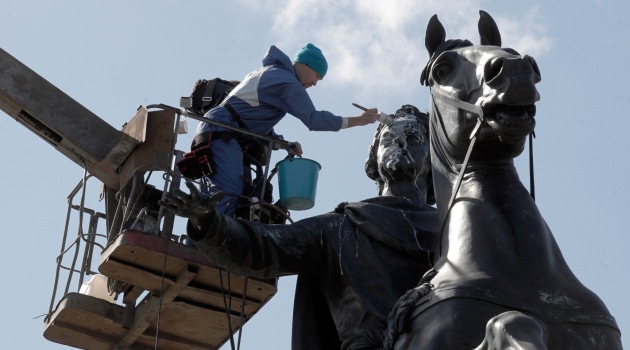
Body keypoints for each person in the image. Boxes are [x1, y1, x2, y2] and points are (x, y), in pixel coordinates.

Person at [161, 105, 437, 349]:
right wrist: (209, 221)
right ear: (374, 159)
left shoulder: (460, 233)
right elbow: (262, 246)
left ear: (435, 160)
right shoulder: (341, 227)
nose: (399, 144)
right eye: (388, 138)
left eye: (412, 138)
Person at [195, 43, 380, 217]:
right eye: (317, 76)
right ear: (306, 65)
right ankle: (205, 246)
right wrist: (360, 120)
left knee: (225, 194)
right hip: (223, 131)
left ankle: (199, 239)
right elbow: (314, 120)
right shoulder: (287, 81)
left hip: (217, 128)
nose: (315, 83)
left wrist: (285, 144)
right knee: (228, 193)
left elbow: (255, 123)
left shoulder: (271, 73)